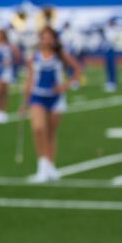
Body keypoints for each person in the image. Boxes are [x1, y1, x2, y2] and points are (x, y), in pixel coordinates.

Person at [21, 26, 82, 183]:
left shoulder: (61, 55)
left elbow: (77, 71)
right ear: (40, 39)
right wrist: (24, 102)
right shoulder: (33, 57)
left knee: (50, 133)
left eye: (49, 37)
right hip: (37, 97)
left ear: (54, 39)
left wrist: (65, 86)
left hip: (55, 98)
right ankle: (42, 165)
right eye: (43, 37)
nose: (46, 40)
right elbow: (29, 80)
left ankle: (51, 165)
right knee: (38, 129)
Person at [0, 29, 20, 123]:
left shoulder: (9, 45)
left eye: (0, 35)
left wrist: (10, 61)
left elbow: (17, 56)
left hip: (6, 71)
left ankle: (4, 111)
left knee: (4, 92)